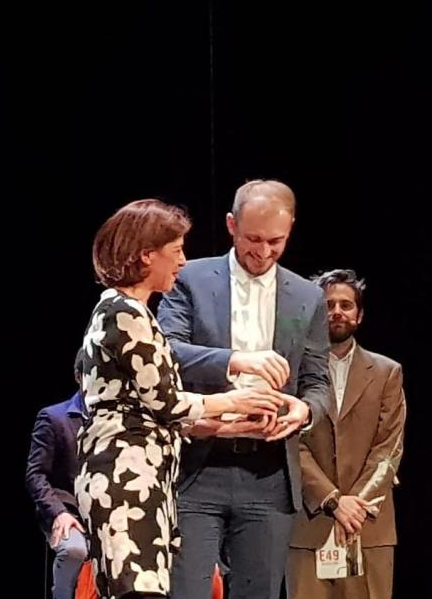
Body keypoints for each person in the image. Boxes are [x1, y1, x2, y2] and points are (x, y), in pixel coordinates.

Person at [75, 199, 285, 599]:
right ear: (146, 255)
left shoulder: (134, 312)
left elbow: (157, 413)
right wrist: (237, 401)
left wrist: (232, 427)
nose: (183, 262)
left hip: (142, 478)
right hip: (125, 480)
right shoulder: (124, 312)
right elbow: (167, 404)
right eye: (176, 251)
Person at [156, 179, 332, 599]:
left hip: (268, 473)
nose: (264, 252)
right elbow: (166, 349)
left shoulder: (307, 296)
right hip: (198, 466)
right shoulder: (191, 278)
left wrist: (304, 410)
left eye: (276, 241)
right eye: (254, 239)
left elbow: (318, 381)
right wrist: (235, 359)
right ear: (231, 225)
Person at [288, 269, 407, 599]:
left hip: (368, 526)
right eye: (328, 305)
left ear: (360, 315)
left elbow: (389, 447)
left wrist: (355, 505)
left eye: (346, 305)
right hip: (308, 524)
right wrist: (332, 500)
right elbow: (290, 440)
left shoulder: (386, 372)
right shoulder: (294, 370)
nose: (337, 312)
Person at [26, 351, 91, 599]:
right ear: (78, 376)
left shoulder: (117, 421)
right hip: (68, 509)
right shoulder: (54, 417)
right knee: (74, 550)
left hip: (105, 513)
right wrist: (58, 512)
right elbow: (35, 474)